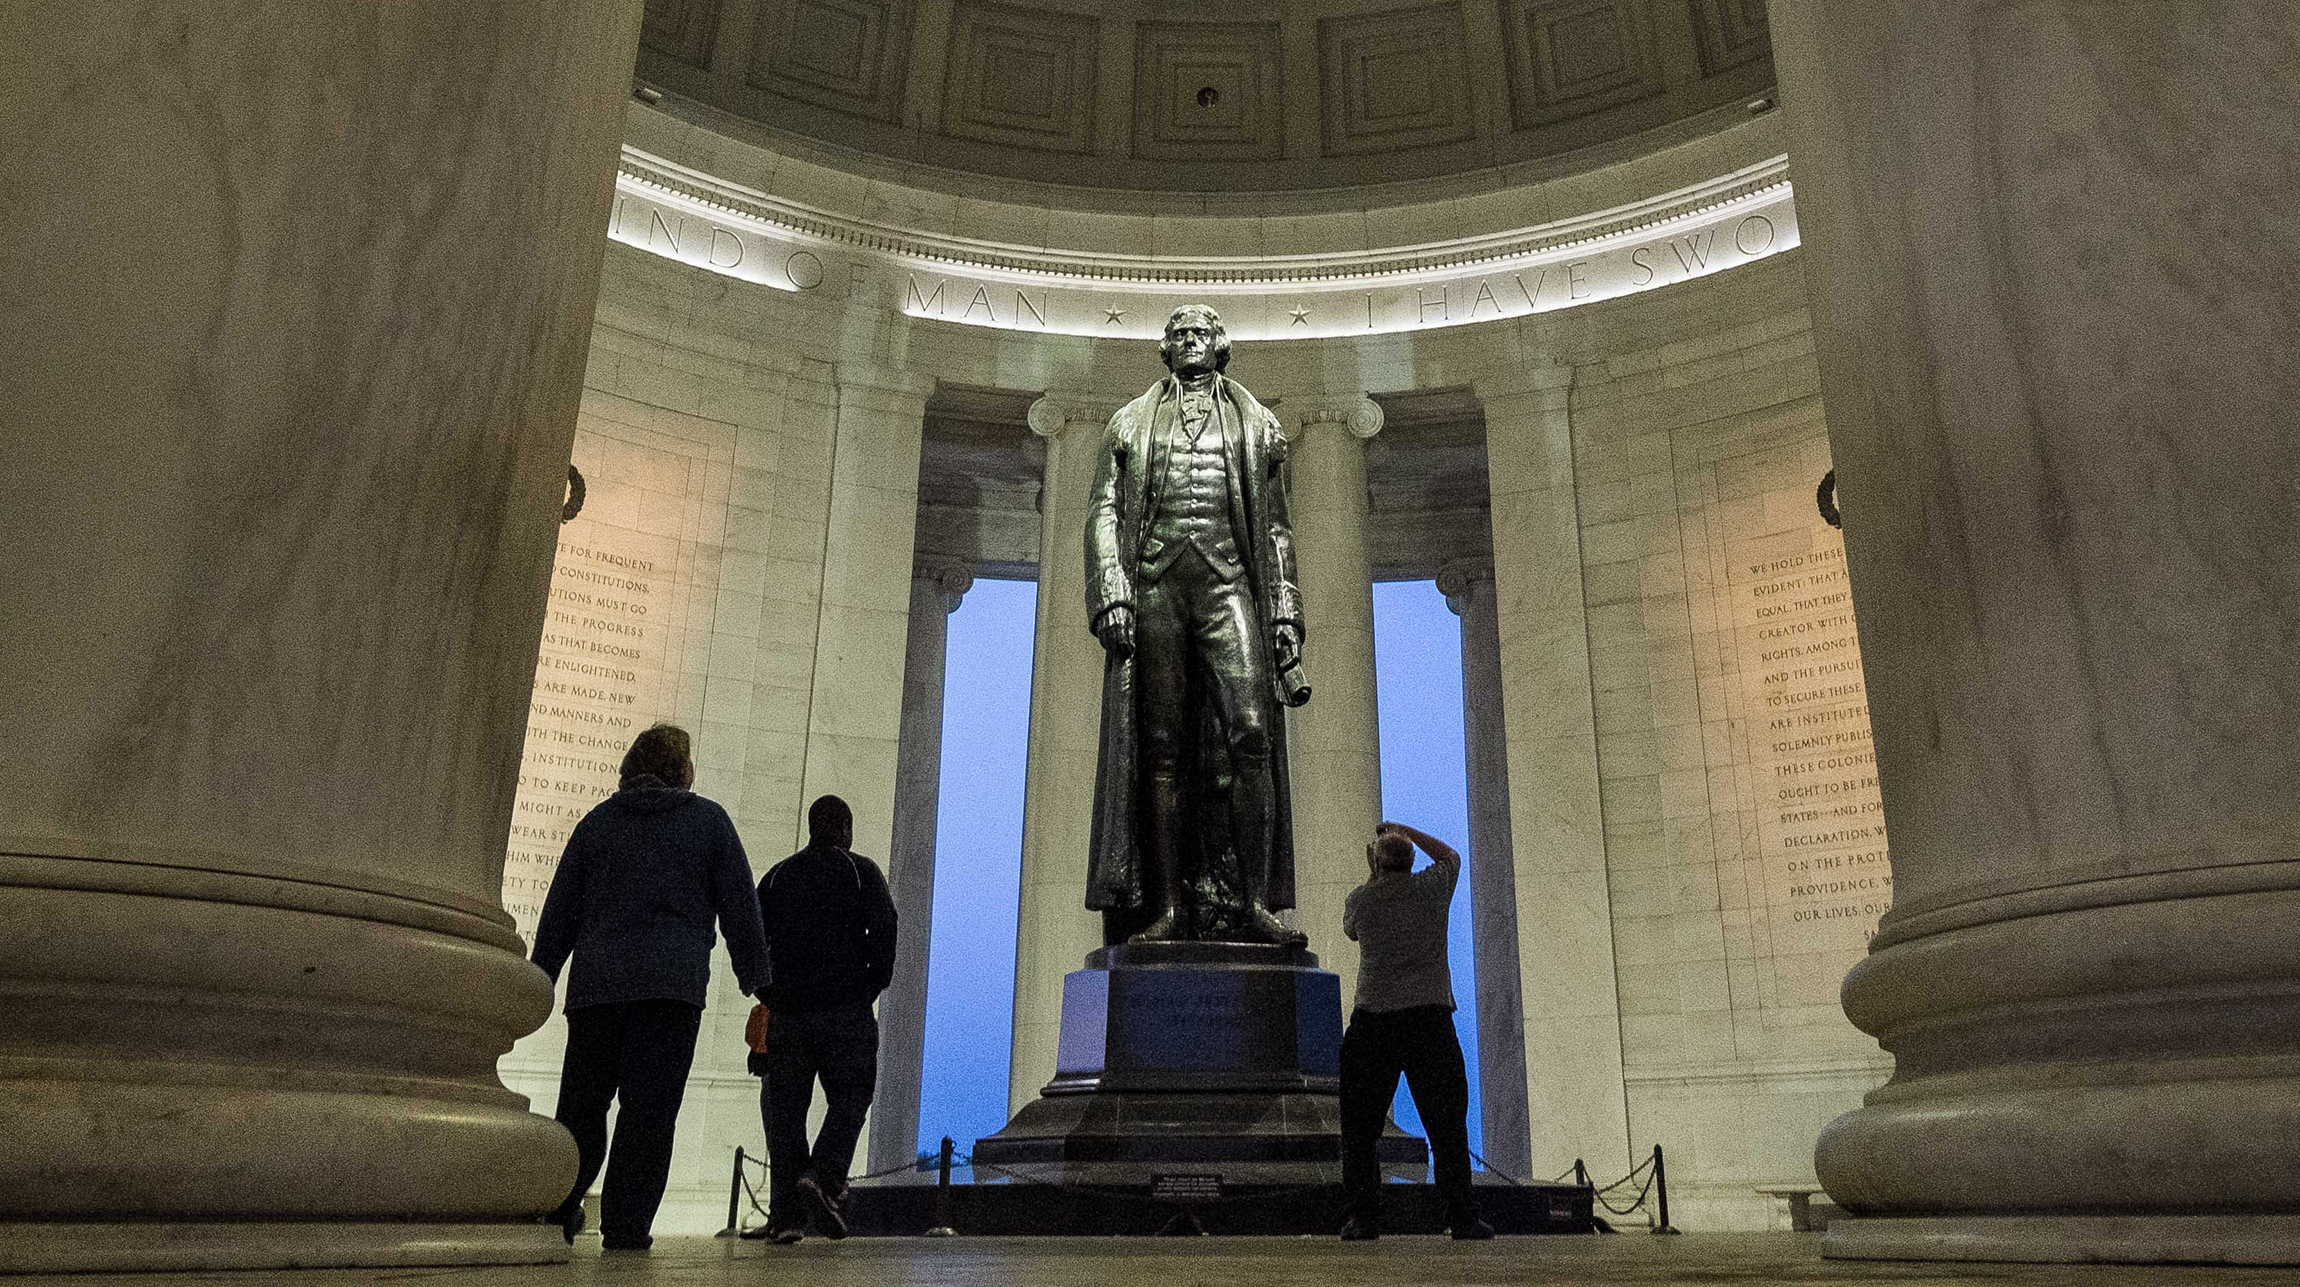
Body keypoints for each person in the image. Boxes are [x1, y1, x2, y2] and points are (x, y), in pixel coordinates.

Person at [1083, 303, 1310, 946]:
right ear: (1165, 348)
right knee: (1161, 750)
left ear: (1221, 344)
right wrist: (1111, 592)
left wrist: (1286, 610)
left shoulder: (1257, 425)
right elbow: (1103, 510)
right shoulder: (1129, 422)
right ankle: (1168, 907)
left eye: (1201, 333)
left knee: (1252, 733)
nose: (1189, 342)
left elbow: (1275, 529)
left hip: (1227, 583)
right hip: (1155, 586)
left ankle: (1253, 902)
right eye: (1178, 334)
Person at [530, 723, 769, 1251]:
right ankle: (626, 1226)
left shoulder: (597, 824)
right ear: (684, 772)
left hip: (597, 990)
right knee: (650, 1114)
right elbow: (740, 911)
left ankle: (559, 1211)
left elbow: (561, 910)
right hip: (670, 990)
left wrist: (541, 974)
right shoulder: (710, 822)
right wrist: (760, 983)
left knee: (581, 1109)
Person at [1337, 821, 1493, 1241]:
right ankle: (1462, 1217)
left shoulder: (1362, 899)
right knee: (1447, 1126)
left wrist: (1374, 872)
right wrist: (1407, 830)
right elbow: (1450, 856)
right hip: (1430, 1019)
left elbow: (1350, 930)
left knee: (1360, 1129)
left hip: (1375, 1021)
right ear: (1411, 862)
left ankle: (1364, 1218)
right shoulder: (1432, 889)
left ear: (1377, 862)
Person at [753, 794, 897, 1243]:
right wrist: (871, 985)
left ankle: (788, 1218)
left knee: (786, 1114)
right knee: (852, 1095)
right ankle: (825, 1173)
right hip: (844, 1012)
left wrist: (765, 990)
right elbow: (886, 929)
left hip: (790, 1014)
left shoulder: (777, 876)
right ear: (846, 830)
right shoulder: (860, 871)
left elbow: (751, 936)